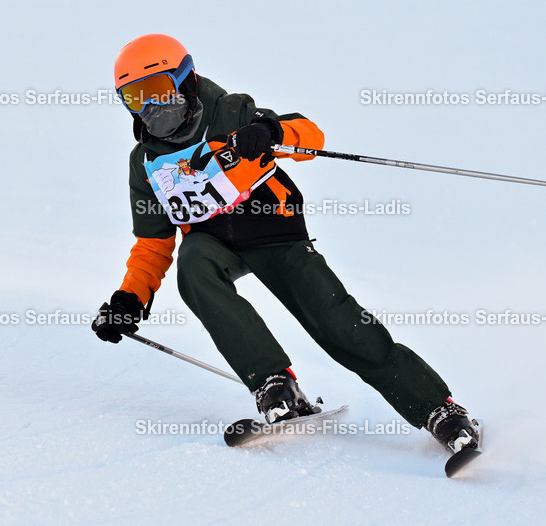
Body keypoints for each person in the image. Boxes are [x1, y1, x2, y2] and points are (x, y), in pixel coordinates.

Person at [91, 33, 479, 453]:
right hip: (213, 243)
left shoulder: (232, 113)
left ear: (186, 81)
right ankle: (274, 384)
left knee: (339, 325)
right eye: (135, 97)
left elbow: (310, 137)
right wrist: (130, 298)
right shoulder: (145, 163)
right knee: (194, 264)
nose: (151, 107)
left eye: (159, 89)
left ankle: (437, 409)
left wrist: (269, 130)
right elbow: (153, 242)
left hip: (275, 233)